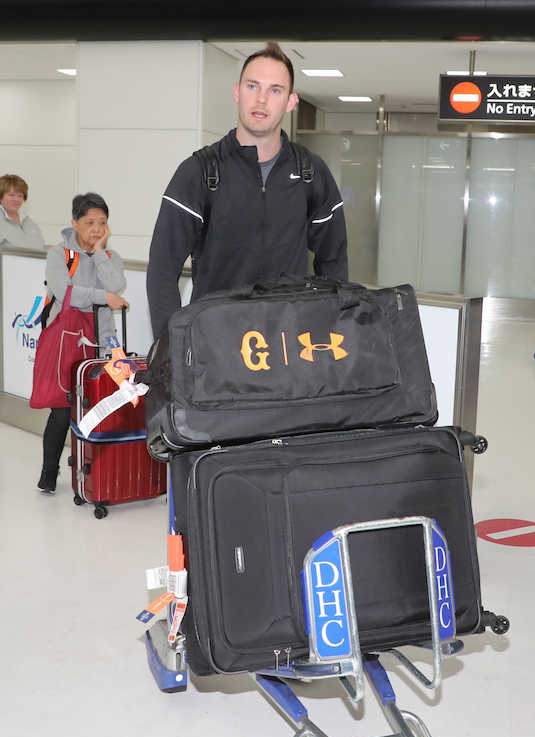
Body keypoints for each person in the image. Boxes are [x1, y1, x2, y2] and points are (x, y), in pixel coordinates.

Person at [146, 41, 348, 339]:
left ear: (291, 102)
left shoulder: (311, 173)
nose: (262, 99)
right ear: (237, 92)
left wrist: (326, 335)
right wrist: (172, 351)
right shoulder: (200, 171)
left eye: (275, 90)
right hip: (215, 349)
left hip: (287, 348)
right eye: (253, 86)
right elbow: (163, 270)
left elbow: (334, 266)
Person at [37, 192, 128, 493]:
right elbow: (65, 293)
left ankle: (94, 474)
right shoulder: (59, 254)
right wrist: (103, 298)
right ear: (74, 223)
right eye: (89, 222)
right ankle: (49, 473)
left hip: (103, 339)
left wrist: (100, 251)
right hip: (68, 340)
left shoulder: (111, 256)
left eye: (102, 222)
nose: (96, 228)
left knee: (104, 403)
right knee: (63, 408)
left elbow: (117, 285)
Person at [1, 173, 45, 250]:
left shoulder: (28, 221)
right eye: (11, 195)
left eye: (20, 196)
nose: (16, 199)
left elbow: (40, 246)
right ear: (0, 197)